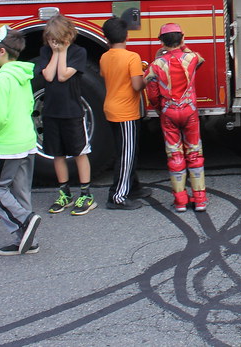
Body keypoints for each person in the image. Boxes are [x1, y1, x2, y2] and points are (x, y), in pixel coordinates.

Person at [0, 26, 41, 256]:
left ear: (2, 51)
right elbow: (29, 106)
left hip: (6, 144)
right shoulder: (23, 75)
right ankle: (27, 240)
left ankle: (25, 221)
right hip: (26, 140)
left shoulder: (1, 79)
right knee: (21, 190)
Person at [145, 23, 208, 212]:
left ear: (161, 42)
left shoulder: (156, 65)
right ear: (182, 38)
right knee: (195, 153)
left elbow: (152, 92)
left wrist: (160, 109)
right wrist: (183, 45)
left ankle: (180, 201)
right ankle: (200, 200)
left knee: (175, 155)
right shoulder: (192, 58)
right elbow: (200, 60)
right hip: (190, 111)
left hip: (168, 112)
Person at [37, 15, 95, 216]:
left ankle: (86, 194)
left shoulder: (78, 52)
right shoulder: (46, 52)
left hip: (72, 112)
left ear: (68, 36)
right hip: (51, 111)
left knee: (79, 152)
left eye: (58, 39)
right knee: (57, 153)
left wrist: (62, 52)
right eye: (51, 39)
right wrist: (55, 52)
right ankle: (64, 193)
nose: (54, 43)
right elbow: (48, 75)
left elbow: (62, 75)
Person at [100, 16, 149, 211]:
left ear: (106, 38)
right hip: (126, 112)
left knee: (127, 150)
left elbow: (105, 75)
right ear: (127, 36)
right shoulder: (132, 57)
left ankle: (133, 187)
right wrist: (148, 77)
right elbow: (137, 85)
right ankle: (117, 196)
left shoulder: (104, 57)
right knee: (127, 154)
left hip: (111, 107)